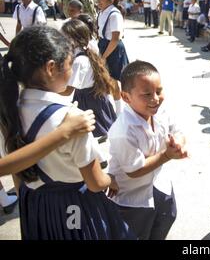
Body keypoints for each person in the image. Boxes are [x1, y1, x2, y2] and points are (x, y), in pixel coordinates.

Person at [0, 26, 134, 240]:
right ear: (51, 68)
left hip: (34, 203)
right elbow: (95, 182)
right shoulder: (73, 121)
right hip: (75, 207)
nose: (72, 71)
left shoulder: (8, 112)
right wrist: (112, 179)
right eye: (70, 64)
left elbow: (16, 173)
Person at [108, 60, 187, 240]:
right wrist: (167, 155)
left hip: (159, 184)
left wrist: (178, 143)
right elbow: (135, 170)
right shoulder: (123, 131)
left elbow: (178, 131)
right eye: (147, 94)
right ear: (126, 97)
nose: (155, 98)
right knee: (136, 233)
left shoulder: (159, 112)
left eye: (158, 91)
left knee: (167, 218)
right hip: (132, 198)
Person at [60, 19, 117, 137]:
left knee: (90, 134)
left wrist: (46, 92)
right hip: (93, 97)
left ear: (73, 39)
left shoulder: (79, 61)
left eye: (63, 37)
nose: (61, 41)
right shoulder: (85, 52)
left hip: (88, 101)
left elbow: (68, 91)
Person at [97, 0, 129, 114]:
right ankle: (110, 108)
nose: (98, 1)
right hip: (104, 45)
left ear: (111, 0)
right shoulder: (102, 12)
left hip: (113, 48)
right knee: (105, 78)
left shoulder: (114, 14)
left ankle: (119, 111)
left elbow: (115, 38)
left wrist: (104, 57)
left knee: (113, 80)